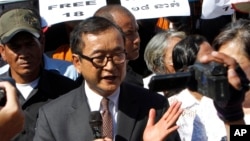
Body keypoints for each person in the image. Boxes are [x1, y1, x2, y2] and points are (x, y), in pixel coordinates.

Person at [33, 16, 181, 141]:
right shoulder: (53, 117)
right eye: (99, 58)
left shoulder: (154, 107)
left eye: (118, 55)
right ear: (77, 62)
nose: (110, 66)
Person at [0, 8, 79, 140]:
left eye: (29, 44)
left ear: (42, 43)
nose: (24, 54)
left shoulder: (68, 91)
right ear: (2, 51)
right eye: (16, 47)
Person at [170, 35, 227, 141]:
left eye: (215, 58)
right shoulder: (172, 107)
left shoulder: (230, 98)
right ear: (187, 70)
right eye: (207, 62)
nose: (215, 65)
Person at [94, 4, 144, 87]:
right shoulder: (107, 83)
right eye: (129, 33)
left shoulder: (132, 79)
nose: (137, 40)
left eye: (136, 31)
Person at [212, 18, 250, 124]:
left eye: (233, 64)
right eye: (219, 63)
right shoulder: (209, 105)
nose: (225, 71)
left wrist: (232, 115)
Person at [143, 30, 186, 96]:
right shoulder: (143, 90)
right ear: (157, 63)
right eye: (176, 57)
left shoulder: (197, 87)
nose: (185, 61)